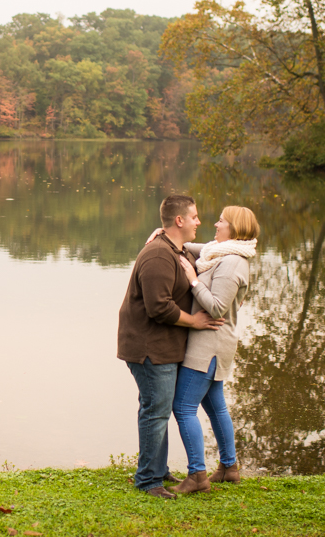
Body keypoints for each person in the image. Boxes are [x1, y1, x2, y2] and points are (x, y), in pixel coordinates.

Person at [117, 195, 224, 499]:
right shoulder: (158, 256)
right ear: (179, 220)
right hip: (148, 348)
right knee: (156, 411)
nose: (198, 223)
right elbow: (158, 308)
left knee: (156, 409)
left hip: (163, 347)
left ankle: (157, 470)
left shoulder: (175, 250)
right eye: (194, 217)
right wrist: (195, 322)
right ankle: (149, 481)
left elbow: (215, 256)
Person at [166, 206, 259, 495]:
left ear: (234, 228)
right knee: (215, 405)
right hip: (213, 342)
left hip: (209, 345)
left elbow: (217, 307)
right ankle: (229, 468)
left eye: (222, 221)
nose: (215, 224)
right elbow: (196, 246)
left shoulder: (232, 264)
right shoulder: (220, 252)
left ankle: (197, 475)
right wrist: (164, 233)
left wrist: (192, 278)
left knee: (182, 407)